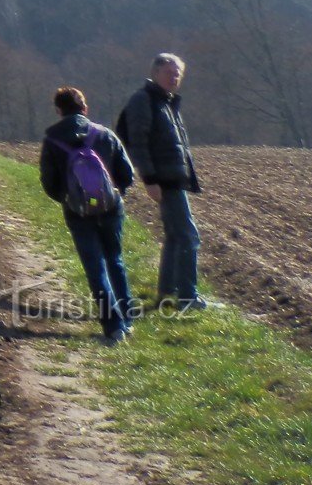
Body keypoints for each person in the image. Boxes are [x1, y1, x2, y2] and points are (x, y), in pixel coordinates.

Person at [39, 86, 137, 343]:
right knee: (114, 258)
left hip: (77, 212)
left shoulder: (52, 141)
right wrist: (114, 194)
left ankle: (114, 327)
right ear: (85, 108)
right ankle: (127, 318)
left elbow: (49, 183)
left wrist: (69, 200)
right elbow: (127, 174)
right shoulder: (105, 134)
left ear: (59, 111)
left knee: (95, 267)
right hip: (111, 207)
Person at [116, 52, 210, 311]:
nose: (175, 77)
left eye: (178, 73)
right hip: (164, 180)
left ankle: (168, 293)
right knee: (188, 236)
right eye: (169, 72)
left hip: (172, 179)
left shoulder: (166, 102)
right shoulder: (144, 100)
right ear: (155, 73)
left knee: (174, 236)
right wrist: (149, 178)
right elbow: (137, 141)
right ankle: (187, 297)